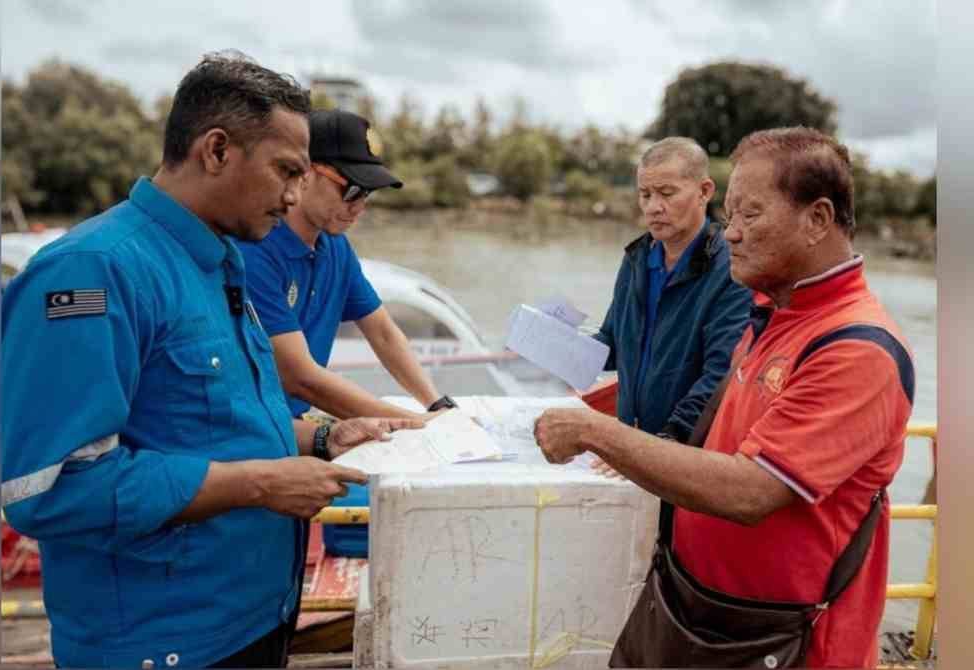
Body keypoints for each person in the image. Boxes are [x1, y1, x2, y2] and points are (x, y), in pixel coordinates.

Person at [1, 53, 421, 669]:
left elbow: (214, 420)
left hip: (254, 619)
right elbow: (51, 488)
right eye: (285, 171)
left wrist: (323, 437)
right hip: (165, 642)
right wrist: (261, 483)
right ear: (217, 150)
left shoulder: (219, 262)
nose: (291, 195)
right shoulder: (93, 272)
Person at [535, 127, 913, 668]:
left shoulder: (857, 349)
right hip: (698, 610)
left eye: (750, 215)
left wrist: (599, 432)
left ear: (818, 219)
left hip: (781, 639)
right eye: (731, 216)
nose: (731, 233)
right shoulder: (770, 316)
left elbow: (750, 493)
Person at [237, 108, 454, 422]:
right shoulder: (255, 251)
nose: (359, 208)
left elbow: (383, 333)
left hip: (293, 423)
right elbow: (301, 378)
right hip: (252, 435)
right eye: (351, 190)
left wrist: (436, 405)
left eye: (367, 194)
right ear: (305, 174)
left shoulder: (335, 248)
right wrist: (416, 424)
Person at [593, 136, 750, 447]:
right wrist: (558, 345)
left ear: (705, 191)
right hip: (633, 444)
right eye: (645, 194)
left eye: (667, 193)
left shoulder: (732, 269)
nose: (653, 207)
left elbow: (720, 376)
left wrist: (667, 441)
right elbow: (612, 346)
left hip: (685, 453)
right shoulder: (636, 259)